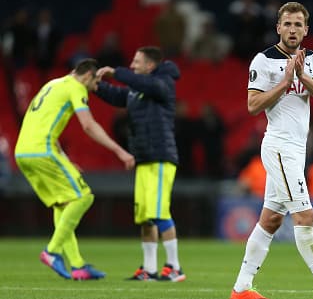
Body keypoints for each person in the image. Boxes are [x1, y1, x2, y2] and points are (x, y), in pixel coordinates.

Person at [230, 2, 313, 299]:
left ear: (306, 30)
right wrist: (285, 80)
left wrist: (301, 75)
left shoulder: (312, 59)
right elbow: (252, 106)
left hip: (296, 149)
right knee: (305, 214)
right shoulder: (263, 61)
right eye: (287, 24)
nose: (292, 30)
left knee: (271, 221)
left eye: (298, 25)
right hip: (279, 147)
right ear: (278, 27)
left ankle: (241, 288)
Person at [14, 59, 135, 280]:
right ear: (88, 76)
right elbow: (88, 125)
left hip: (23, 152)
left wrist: (64, 159)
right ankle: (52, 251)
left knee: (63, 203)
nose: (95, 87)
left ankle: (78, 265)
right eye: (95, 82)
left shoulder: (52, 84)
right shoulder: (77, 87)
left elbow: (42, 122)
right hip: (43, 150)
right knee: (83, 197)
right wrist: (120, 151)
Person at [95, 46, 186, 282]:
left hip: (160, 158)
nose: (133, 65)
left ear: (150, 66)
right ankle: (149, 269)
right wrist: (94, 85)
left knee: (159, 213)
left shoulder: (163, 83)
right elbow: (117, 96)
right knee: (145, 217)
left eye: (137, 61)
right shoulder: (137, 90)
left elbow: (144, 85)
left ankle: (175, 267)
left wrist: (117, 72)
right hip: (144, 159)